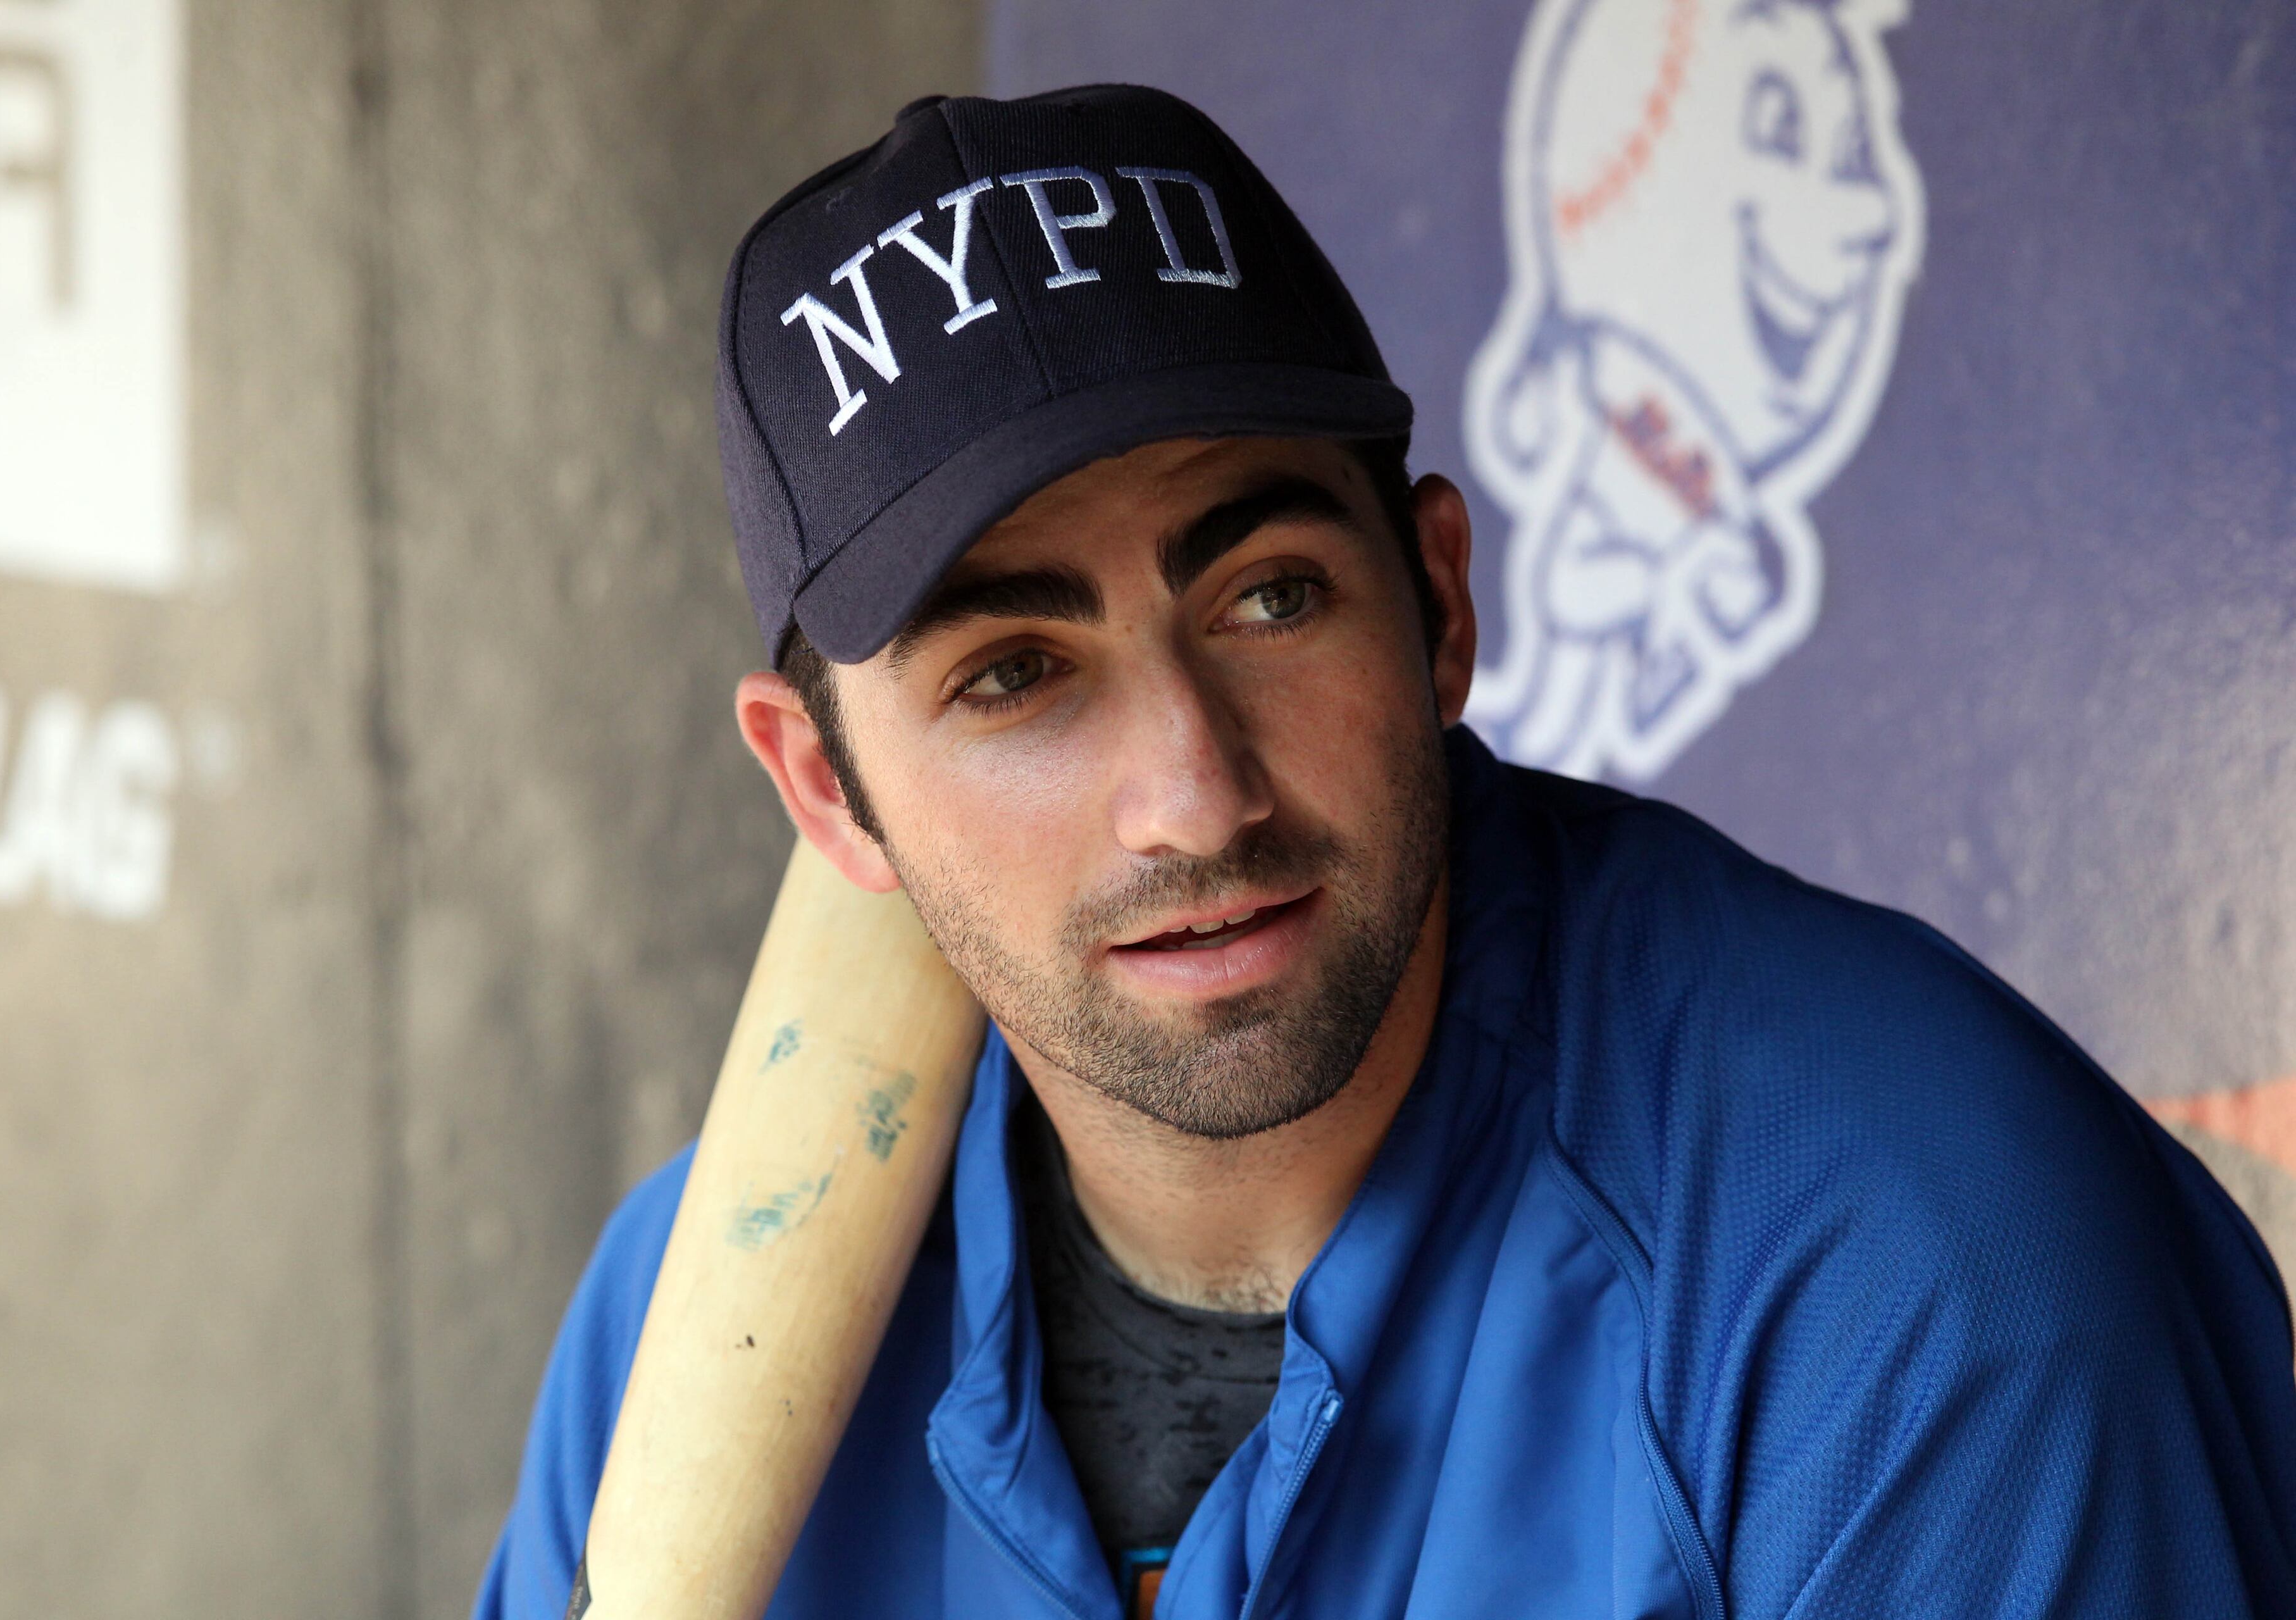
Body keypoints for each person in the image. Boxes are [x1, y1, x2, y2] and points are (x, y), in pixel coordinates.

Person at [477, 85, 2295, 1620]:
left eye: (1270, 595)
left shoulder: (1917, 1274)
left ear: (1437, 599)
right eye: (1016, 674)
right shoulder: (679, 1331)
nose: (1194, 798)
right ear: (823, 791)